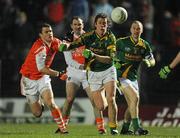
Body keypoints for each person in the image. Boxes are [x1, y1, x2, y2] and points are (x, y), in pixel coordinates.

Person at [60, 13, 119, 135]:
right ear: (95, 24)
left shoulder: (111, 37)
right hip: (93, 72)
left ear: (107, 25)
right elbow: (74, 44)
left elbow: (110, 59)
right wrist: (65, 47)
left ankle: (113, 128)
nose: (103, 25)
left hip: (108, 70)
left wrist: (93, 55)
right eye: (100, 23)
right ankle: (62, 125)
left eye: (105, 23)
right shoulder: (88, 36)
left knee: (111, 98)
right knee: (101, 106)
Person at [19, 23, 68, 134]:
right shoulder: (40, 48)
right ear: (40, 35)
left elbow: (65, 48)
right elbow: (42, 69)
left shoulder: (54, 41)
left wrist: (71, 44)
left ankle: (63, 128)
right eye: (46, 32)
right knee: (37, 113)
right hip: (29, 79)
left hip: (42, 78)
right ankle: (39, 101)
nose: (50, 33)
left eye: (50, 31)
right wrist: (59, 74)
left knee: (50, 103)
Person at [115, 20, 155, 135]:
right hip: (121, 77)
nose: (136, 30)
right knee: (135, 98)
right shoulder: (122, 42)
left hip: (133, 78)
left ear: (141, 30)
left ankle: (125, 129)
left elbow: (152, 59)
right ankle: (137, 128)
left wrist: (149, 62)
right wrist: (114, 62)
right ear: (130, 29)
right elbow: (110, 53)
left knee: (132, 103)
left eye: (138, 28)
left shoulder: (144, 45)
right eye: (134, 28)